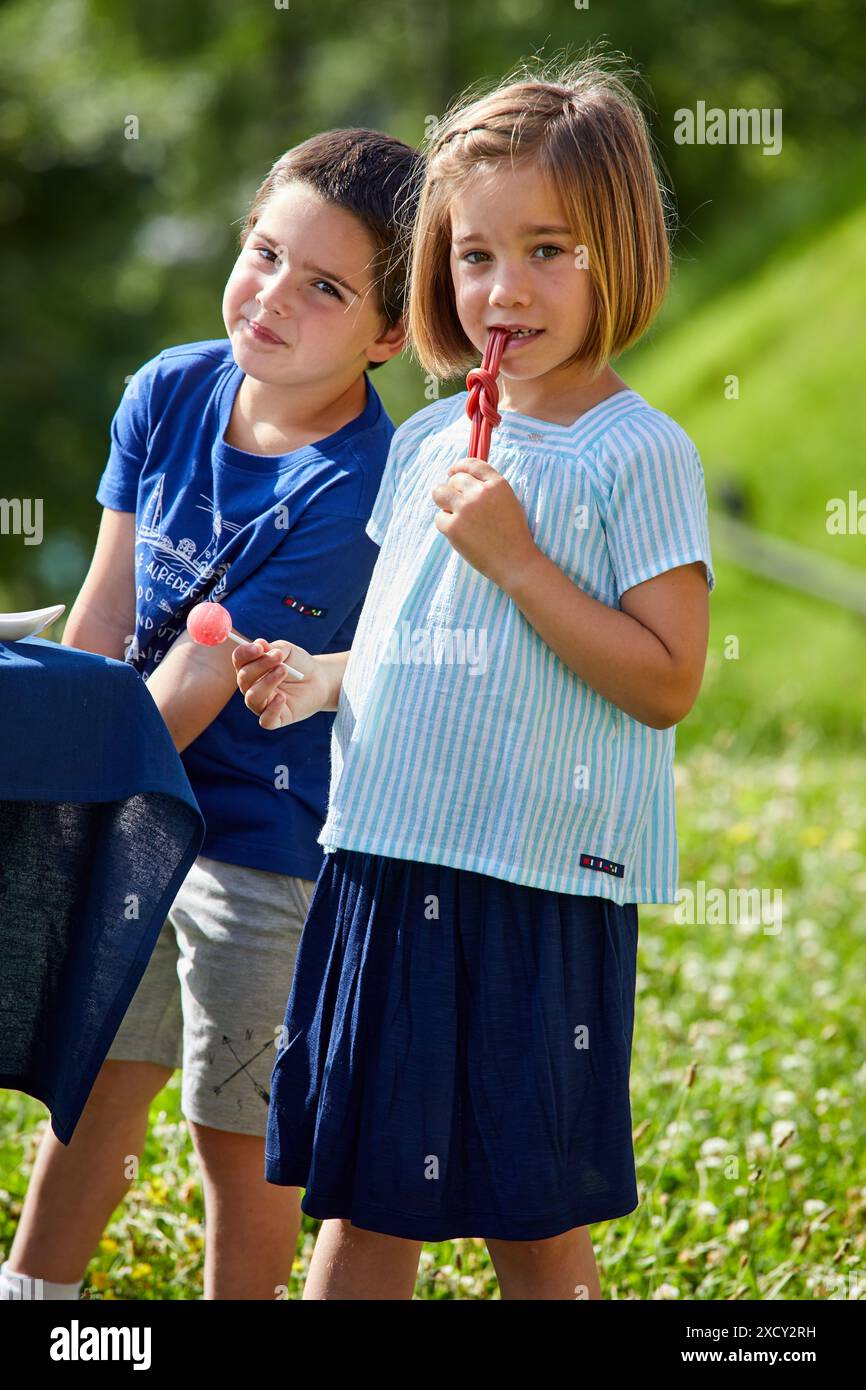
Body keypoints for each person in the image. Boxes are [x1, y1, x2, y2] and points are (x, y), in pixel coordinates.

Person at [235, 54, 716, 1300]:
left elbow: (667, 681)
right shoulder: (428, 437)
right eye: (473, 255)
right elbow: (417, 640)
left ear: (617, 255)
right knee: (361, 1197)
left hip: (533, 881)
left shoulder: (636, 453)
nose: (504, 291)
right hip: (384, 857)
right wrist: (320, 677)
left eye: (548, 250)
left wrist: (519, 562)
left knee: (532, 1215)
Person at [1, 128, 421, 1302]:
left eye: (325, 286)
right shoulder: (169, 389)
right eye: (264, 252)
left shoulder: (354, 490)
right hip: (123, 798)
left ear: (389, 334)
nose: (273, 295)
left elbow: (185, 695)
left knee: (236, 1141)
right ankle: (36, 1300)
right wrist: (41, 759)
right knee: (90, 1087)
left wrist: (36, 753)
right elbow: (104, 616)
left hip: (257, 849)